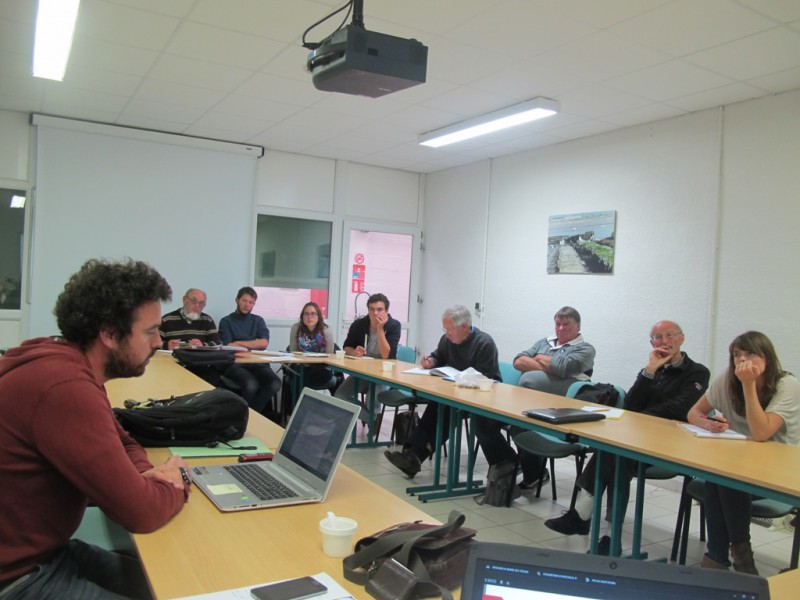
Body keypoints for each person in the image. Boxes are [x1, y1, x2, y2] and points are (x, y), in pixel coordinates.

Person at [0, 258, 189, 599]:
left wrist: (145, 478)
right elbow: (141, 514)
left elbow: (126, 442)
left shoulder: (68, 362)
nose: (159, 342)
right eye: (149, 331)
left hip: (47, 553)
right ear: (110, 334)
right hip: (17, 577)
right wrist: (178, 482)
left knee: (176, 584)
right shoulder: (64, 386)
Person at [544, 320, 710, 553]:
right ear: (652, 343)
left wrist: (641, 418)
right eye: (658, 337)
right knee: (614, 452)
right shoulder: (652, 370)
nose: (664, 341)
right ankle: (610, 537)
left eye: (670, 335)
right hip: (640, 439)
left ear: (681, 339)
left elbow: (680, 409)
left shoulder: (698, 372)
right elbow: (630, 404)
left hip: (672, 442)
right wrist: (649, 371)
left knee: (615, 454)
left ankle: (583, 517)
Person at [687, 331, 800, 575]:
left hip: (781, 472)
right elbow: (693, 412)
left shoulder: (786, 385)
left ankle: (724, 557)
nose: (742, 360)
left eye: (750, 354)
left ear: (767, 358)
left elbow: (761, 433)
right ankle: (735, 557)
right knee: (720, 478)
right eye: (737, 355)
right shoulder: (727, 380)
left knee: (723, 480)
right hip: (740, 466)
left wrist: (748, 385)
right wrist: (708, 423)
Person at [474, 307, 595, 489]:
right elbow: (518, 361)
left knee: (521, 426)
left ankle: (534, 474)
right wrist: (549, 367)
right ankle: (510, 462)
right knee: (481, 420)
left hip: (556, 410)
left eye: (566, 324)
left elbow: (565, 368)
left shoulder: (586, 349)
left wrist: (540, 359)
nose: (561, 329)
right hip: (523, 402)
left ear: (578, 325)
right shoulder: (545, 342)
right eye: (558, 324)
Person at [385, 305, 501, 478]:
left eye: (449, 330)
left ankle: (415, 456)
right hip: (454, 391)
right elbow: (438, 355)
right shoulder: (447, 340)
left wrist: (460, 382)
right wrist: (431, 362)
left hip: (481, 396)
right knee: (436, 406)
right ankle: (413, 454)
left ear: (464, 327)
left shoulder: (484, 343)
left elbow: (484, 377)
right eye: (445, 329)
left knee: (447, 410)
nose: (447, 334)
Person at [218, 287, 281, 414]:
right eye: (244, 301)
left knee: (275, 383)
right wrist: (252, 344)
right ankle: (247, 418)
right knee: (251, 385)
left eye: (251, 302)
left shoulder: (258, 320)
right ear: (237, 300)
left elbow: (263, 343)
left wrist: (239, 343)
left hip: (257, 364)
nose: (247, 305)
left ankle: (250, 416)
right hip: (235, 365)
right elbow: (229, 345)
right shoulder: (226, 321)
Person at [334, 293, 401, 411]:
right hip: (363, 372)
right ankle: (372, 418)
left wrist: (380, 328)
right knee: (340, 396)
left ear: (387, 311)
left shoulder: (394, 326)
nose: (375, 313)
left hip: (383, 375)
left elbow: (387, 356)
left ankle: (372, 419)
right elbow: (346, 347)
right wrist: (354, 352)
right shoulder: (359, 324)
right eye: (372, 309)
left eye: (379, 309)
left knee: (372, 401)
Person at [289, 302, 338, 390]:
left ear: (318, 316)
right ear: (302, 316)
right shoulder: (296, 328)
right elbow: (293, 352)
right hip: (302, 366)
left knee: (301, 381)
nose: (309, 317)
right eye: (306, 314)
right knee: (297, 376)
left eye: (313, 314)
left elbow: (329, 355)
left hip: (320, 367)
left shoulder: (326, 329)